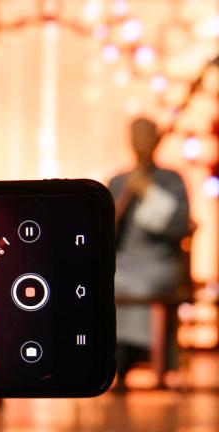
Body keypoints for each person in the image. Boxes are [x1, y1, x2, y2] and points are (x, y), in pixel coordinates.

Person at [108, 117, 190, 390]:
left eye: (146, 135)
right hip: (124, 261)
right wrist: (127, 195)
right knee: (109, 283)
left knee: (139, 285)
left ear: (155, 139)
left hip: (159, 261)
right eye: (136, 135)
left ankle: (128, 358)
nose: (141, 141)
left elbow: (179, 224)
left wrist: (148, 192)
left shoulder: (171, 179)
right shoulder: (118, 181)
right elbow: (104, 227)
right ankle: (115, 360)